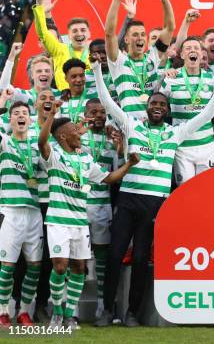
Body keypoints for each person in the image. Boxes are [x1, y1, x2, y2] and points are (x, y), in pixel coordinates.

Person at [91, 59, 214, 327]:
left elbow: (207, 115)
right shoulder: (132, 126)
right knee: (116, 254)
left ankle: (132, 313)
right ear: (147, 107)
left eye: (162, 105)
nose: (157, 107)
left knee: (141, 258)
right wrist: (96, 72)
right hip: (128, 200)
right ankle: (108, 309)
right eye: (154, 103)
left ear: (167, 111)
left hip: (155, 205)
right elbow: (108, 104)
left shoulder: (176, 133)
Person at [38, 100, 139, 329]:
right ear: (63, 137)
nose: (80, 133)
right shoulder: (54, 157)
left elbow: (109, 179)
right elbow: (42, 141)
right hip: (58, 221)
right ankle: (58, 312)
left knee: (79, 268)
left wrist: (128, 165)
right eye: (75, 132)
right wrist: (52, 115)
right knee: (60, 266)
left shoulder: (85, 159)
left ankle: (70, 317)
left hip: (80, 223)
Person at [159, 36, 214, 183]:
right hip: (182, 147)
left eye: (196, 48)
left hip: (207, 146)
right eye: (188, 48)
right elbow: (158, 105)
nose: (192, 51)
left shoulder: (212, 79)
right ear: (182, 55)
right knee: (184, 191)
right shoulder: (171, 79)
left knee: (205, 189)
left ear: (201, 54)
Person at [104, 0, 175, 120]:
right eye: (135, 35)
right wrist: (116, 0)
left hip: (154, 125)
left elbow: (169, 28)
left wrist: (165, 0)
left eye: (143, 34)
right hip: (131, 128)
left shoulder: (152, 57)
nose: (140, 38)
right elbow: (109, 33)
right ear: (126, 39)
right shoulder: (118, 61)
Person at [0, 101, 44, 327]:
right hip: (10, 212)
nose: (20, 116)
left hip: (34, 213)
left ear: (30, 118)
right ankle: (3, 310)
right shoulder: (5, 143)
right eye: (15, 113)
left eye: (24, 113)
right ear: (10, 119)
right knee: (7, 267)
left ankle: (25, 311)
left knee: (34, 266)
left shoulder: (37, 146)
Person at [80, 98, 123, 317]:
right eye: (93, 112)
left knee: (102, 254)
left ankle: (101, 302)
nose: (98, 116)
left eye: (102, 112)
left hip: (102, 204)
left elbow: (116, 177)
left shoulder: (110, 140)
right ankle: (71, 306)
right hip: (78, 202)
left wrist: (119, 148)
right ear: (85, 113)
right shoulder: (77, 138)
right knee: (74, 257)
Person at [32, 0, 91, 91]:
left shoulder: (95, 54)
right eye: (75, 31)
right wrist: (40, 5)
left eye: (83, 30)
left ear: (89, 33)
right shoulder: (59, 50)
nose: (79, 33)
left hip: (90, 103)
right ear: (68, 35)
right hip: (65, 103)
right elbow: (43, 33)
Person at [0, 42, 56, 116]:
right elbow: (3, 87)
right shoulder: (25, 95)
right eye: (39, 71)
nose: (43, 73)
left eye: (47, 71)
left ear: (52, 74)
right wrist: (12, 56)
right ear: (32, 75)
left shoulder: (60, 95)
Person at [57, 59, 97, 124]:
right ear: (66, 79)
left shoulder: (95, 96)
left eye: (81, 75)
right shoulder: (61, 101)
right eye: (74, 76)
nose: (78, 80)